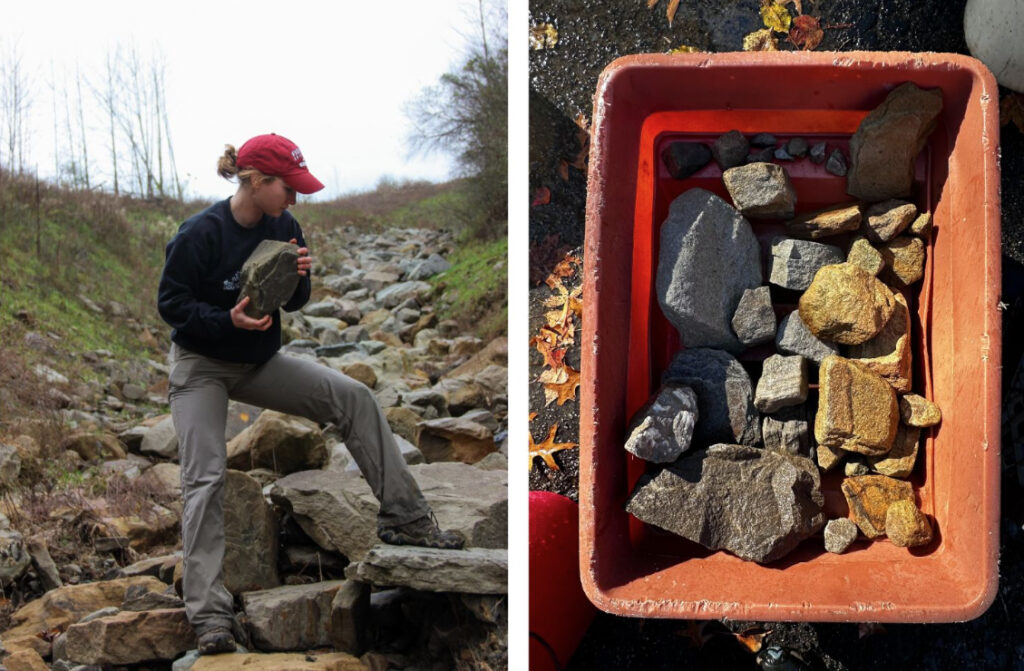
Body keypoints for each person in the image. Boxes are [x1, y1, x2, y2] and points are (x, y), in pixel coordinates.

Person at [157, 133, 464, 655]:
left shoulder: (284, 225)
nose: (295, 200)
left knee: (354, 398)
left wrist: (301, 279)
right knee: (205, 476)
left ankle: (406, 519)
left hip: (258, 362)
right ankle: (209, 615)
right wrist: (222, 318)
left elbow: (294, 302)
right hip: (201, 365)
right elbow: (171, 304)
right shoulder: (200, 234)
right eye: (287, 189)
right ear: (255, 182)